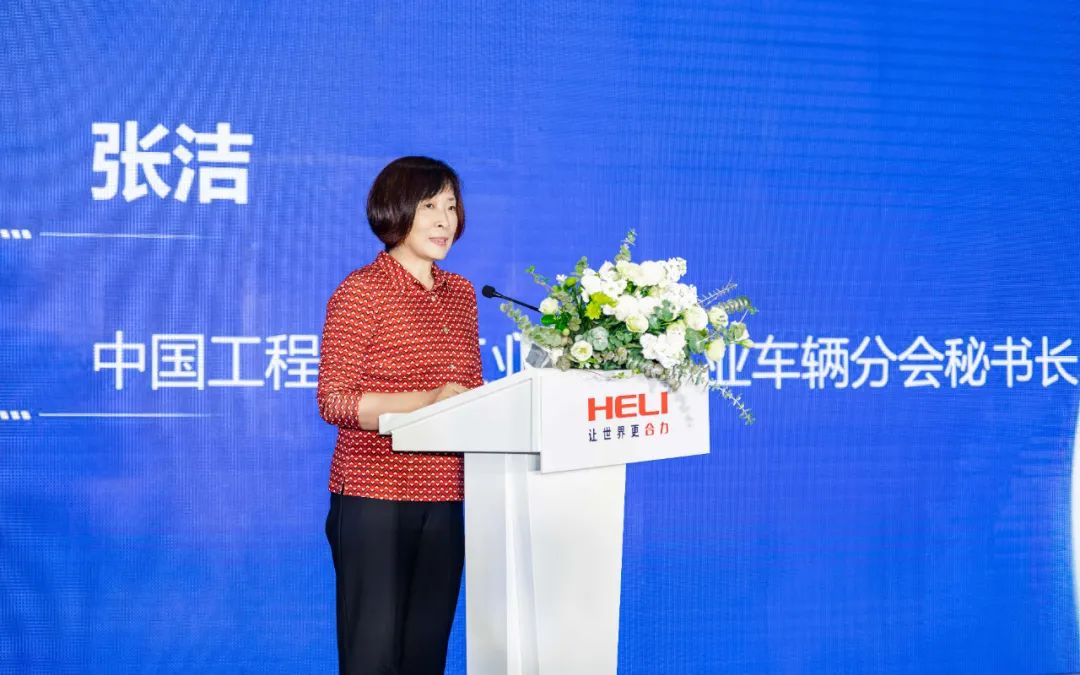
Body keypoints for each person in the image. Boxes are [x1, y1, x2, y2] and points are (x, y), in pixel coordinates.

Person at [317, 156, 483, 674]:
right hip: (375, 496)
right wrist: (427, 399)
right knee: (373, 657)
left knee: (424, 657)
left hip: (446, 496)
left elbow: (469, 393)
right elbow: (336, 401)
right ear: (396, 211)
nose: (444, 220)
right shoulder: (361, 291)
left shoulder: (461, 295)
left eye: (451, 207)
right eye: (429, 207)